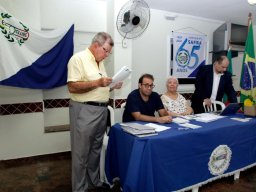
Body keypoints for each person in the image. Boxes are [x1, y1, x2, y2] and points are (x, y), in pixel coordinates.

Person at [67, 32, 122, 192]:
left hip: (101, 111)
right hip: (84, 110)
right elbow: (72, 86)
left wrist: (111, 86)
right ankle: (79, 188)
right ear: (96, 45)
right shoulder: (78, 59)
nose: (106, 55)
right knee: (81, 154)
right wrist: (98, 82)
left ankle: (94, 182)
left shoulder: (100, 62)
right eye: (105, 51)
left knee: (95, 150)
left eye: (108, 52)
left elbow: (97, 88)